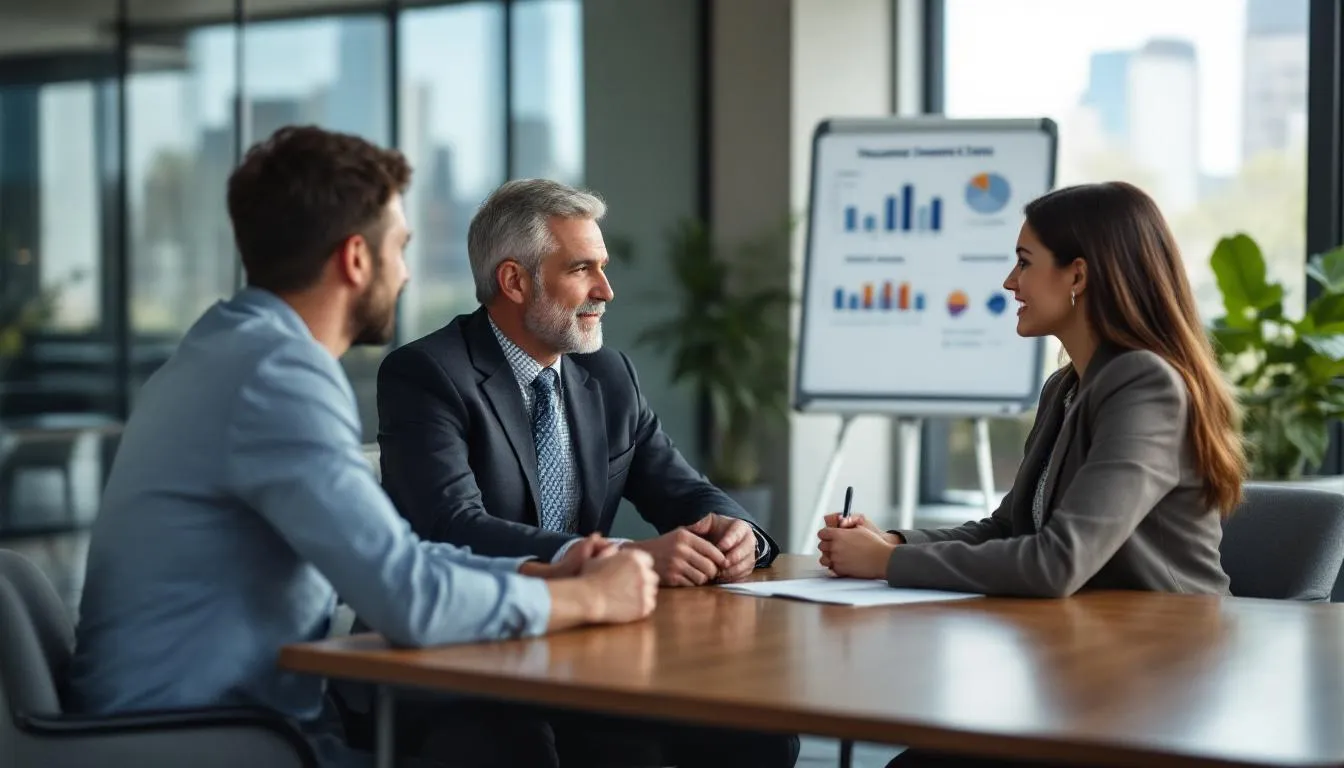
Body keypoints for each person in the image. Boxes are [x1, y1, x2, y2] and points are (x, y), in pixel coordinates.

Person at [66, 126, 659, 768]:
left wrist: (541, 572)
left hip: (215, 725)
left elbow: (391, 557)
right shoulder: (274, 377)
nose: (406, 272)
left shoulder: (229, 350)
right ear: (356, 259)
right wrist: (592, 596)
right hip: (201, 743)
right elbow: (406, 598)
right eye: (401, 247)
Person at [372, 178, 798, 767]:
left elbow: (681, 486)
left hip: (594, 647)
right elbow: (450, 527)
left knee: (759, 731)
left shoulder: (609, 375)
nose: (606, 290)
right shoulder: (427, 374)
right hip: (474, 655)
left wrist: (737, 531)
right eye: (581, 269)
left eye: (603, 267)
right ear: (515, 281)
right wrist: (622, 557)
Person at [818, 181, 1247, 765]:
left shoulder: (1144, 384)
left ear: (1078, 275)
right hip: (1079, 662)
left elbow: (1056, 561)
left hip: (1155, 685)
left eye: (1024, 263)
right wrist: (891, 541)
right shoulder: (1068, 385)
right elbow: (1009, 527)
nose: (1008, 283)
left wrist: (888, 564)